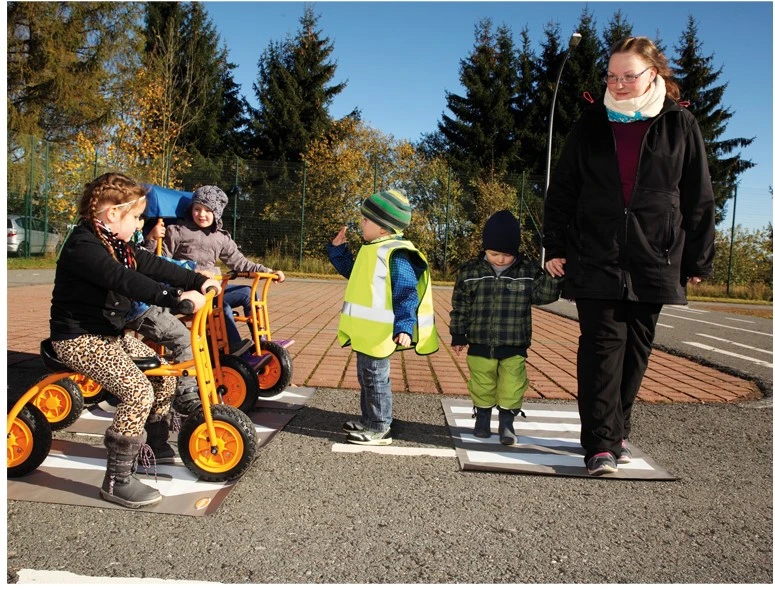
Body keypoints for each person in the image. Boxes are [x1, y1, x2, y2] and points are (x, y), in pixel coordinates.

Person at [542, 36, 715, 475]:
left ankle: (617, 429)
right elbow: (563, 189)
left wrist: (698, 257)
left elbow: (698, 194)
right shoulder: (591, 123)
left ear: (653, 74)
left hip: (655, 254)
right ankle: (600, 443)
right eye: (611, 76)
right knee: (601, 346)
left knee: (637, 349)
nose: (618, 84)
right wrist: (555, 245)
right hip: (595, 250)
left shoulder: (679, 124)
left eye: (628, 75)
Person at [49, 172, 222, 508]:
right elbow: (124, 280)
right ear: (112, 213)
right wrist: (175, 298)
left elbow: (152, 264)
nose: (140, 224)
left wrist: (197, 281)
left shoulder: (116, 244)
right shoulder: (84, 246)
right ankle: (118, 479)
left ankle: (152, 446)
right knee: (137, 391)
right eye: (136, 217)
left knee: (163, 375)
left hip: (107, 336)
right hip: (79, 340)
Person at [326, 188, 438, 445]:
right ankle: (370, 420)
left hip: (380, 334)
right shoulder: (373, 249)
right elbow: (353, 273)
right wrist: (338, 250)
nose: (361, 222)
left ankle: (379, 427)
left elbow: (406, 292)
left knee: (375, 379)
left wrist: (405, 326)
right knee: (367, 377)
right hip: (366, 334)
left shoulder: (395, 253)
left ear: (384, 228)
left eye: (366, 219)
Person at [450, 210, 563, 445]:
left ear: (516, 252)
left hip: (514, 344)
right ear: (485, 249)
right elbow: (460, 306)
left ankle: (507, 423)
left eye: (507, 255)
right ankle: (482, 419)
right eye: (494, 254)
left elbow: (543, 296)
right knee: (481, 383)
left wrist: (554, 277)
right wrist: (458, 334)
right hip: (480, 342)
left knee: (512, 384)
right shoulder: (470, 272)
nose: (501, 259)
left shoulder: (528, 271)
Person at [145, 185, 285, 356]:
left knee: (248, 293)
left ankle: (261, 342)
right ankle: (233, 349)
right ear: (191, 209)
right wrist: (152, 239)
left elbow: (239, 262)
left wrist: (268, 271)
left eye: (208, 210)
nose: (201, 214)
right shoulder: (177, 231)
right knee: (220, 306)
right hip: (188, 287)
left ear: (217, 213)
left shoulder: (220, 237)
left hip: (213, 288)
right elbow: (160, 262)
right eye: (197, 209)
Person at [126, 216, 203, 420]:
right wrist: (190, 273)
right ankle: (186, 394)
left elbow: (159, 264)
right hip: (139, 309)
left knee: (185, 341)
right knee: (185, 340)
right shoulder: (125, 246)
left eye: (139, 217)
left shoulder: (131, 242)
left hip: (142, 305)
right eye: (136, 217)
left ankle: (159, 431)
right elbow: (156, 265)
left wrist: (195, 276)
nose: (138, 222)